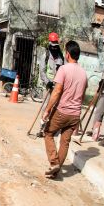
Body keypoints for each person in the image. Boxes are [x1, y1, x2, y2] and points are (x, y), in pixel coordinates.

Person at [42, 40, 88, 179]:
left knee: (48, 133)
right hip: (75, 114)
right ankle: (56, 170)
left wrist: (47, 110)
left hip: (62, 111)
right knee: (65, 142)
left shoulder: (64, 69)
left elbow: (57, 92)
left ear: (67, 54)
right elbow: (83, 95)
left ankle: (54, 162)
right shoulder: (84, 74)